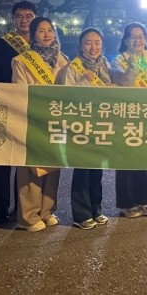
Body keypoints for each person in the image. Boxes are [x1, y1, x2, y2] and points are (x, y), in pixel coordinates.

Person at [11, 16, 68, 232]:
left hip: (55, 120)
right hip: (33, 119)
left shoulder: (63, 59)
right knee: (31, 168)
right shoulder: (22, 60)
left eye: (50, 30)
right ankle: (28, 216)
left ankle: (46, 211)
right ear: (33, 34)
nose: (46, 35)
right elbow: (20, 91)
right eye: (41, 31)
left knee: (52, 165)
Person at [55, 28, 111, 230]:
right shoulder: (73, 67)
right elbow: (67, 96)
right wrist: (85, 80)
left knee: (96, 170)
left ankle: (96, 209)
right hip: (81, 124)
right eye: (88, 43)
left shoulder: (105, 65)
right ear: (81, 46)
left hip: (100, 123)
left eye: (97, 42)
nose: (93, 47)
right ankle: (81, 214)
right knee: (82, 170)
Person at [0, 0, 37, 223]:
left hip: (33, 110)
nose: (24, 20)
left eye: (29, 16)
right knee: (3, 160)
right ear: (13, 19)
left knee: (26, 163)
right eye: (19, 16)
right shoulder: (2, 44)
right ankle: (1, 209)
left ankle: (22, 207)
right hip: (7, 106)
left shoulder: (41, 43)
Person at [111, 22, 147, 218]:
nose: (137, 40)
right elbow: (122, 83)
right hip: (127, 114)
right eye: (133, 37)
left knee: (144, 159)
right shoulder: (119, 60)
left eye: (141, 36)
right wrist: (133, 65)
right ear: (126, 40)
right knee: (125, 160)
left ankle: (143, 201)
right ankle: (126, 203)